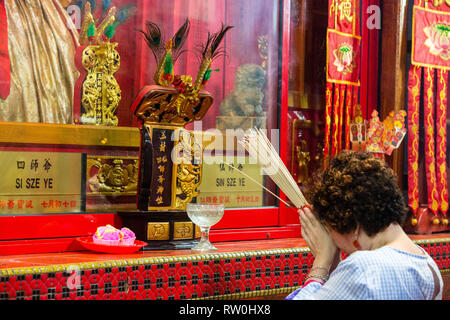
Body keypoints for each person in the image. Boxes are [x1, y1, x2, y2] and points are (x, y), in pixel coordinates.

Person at [286, 150, 443, 300]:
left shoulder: (363, 267)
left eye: (329, 230)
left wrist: (321, 263)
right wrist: (335, 264)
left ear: (352, 225)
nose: (332, 241)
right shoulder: (428, 265)